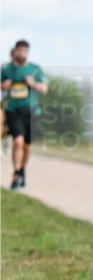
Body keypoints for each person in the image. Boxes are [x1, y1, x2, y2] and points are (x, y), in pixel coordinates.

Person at [1, 40, 49, 189]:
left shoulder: (35, 69)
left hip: (31, 112)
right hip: (13, 110)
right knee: (18, 142)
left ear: (27, 52)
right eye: (19, 50)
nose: (21, 53)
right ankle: (16, 174)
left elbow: (44, 89)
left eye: (24, 51)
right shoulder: (6, 70)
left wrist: (33, 84)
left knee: (27, 146)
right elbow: (1, 90)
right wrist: (4, 86)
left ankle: (22, 170)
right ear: (15, 52)